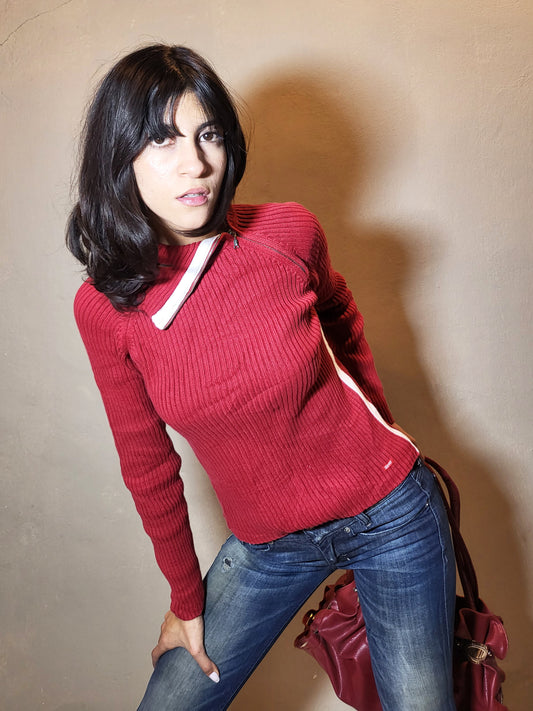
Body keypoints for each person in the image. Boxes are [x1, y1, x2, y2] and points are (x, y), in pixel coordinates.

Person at [67, 44, 456, 711]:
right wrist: (186, 599)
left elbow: (340, 317)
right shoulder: (106, 308)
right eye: (162, 140)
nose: (195, 164)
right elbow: (147, 461)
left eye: (209, 134)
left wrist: (380, 430)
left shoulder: (286, 233)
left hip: (391, 515)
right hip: (270, 544)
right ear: (117, 157)